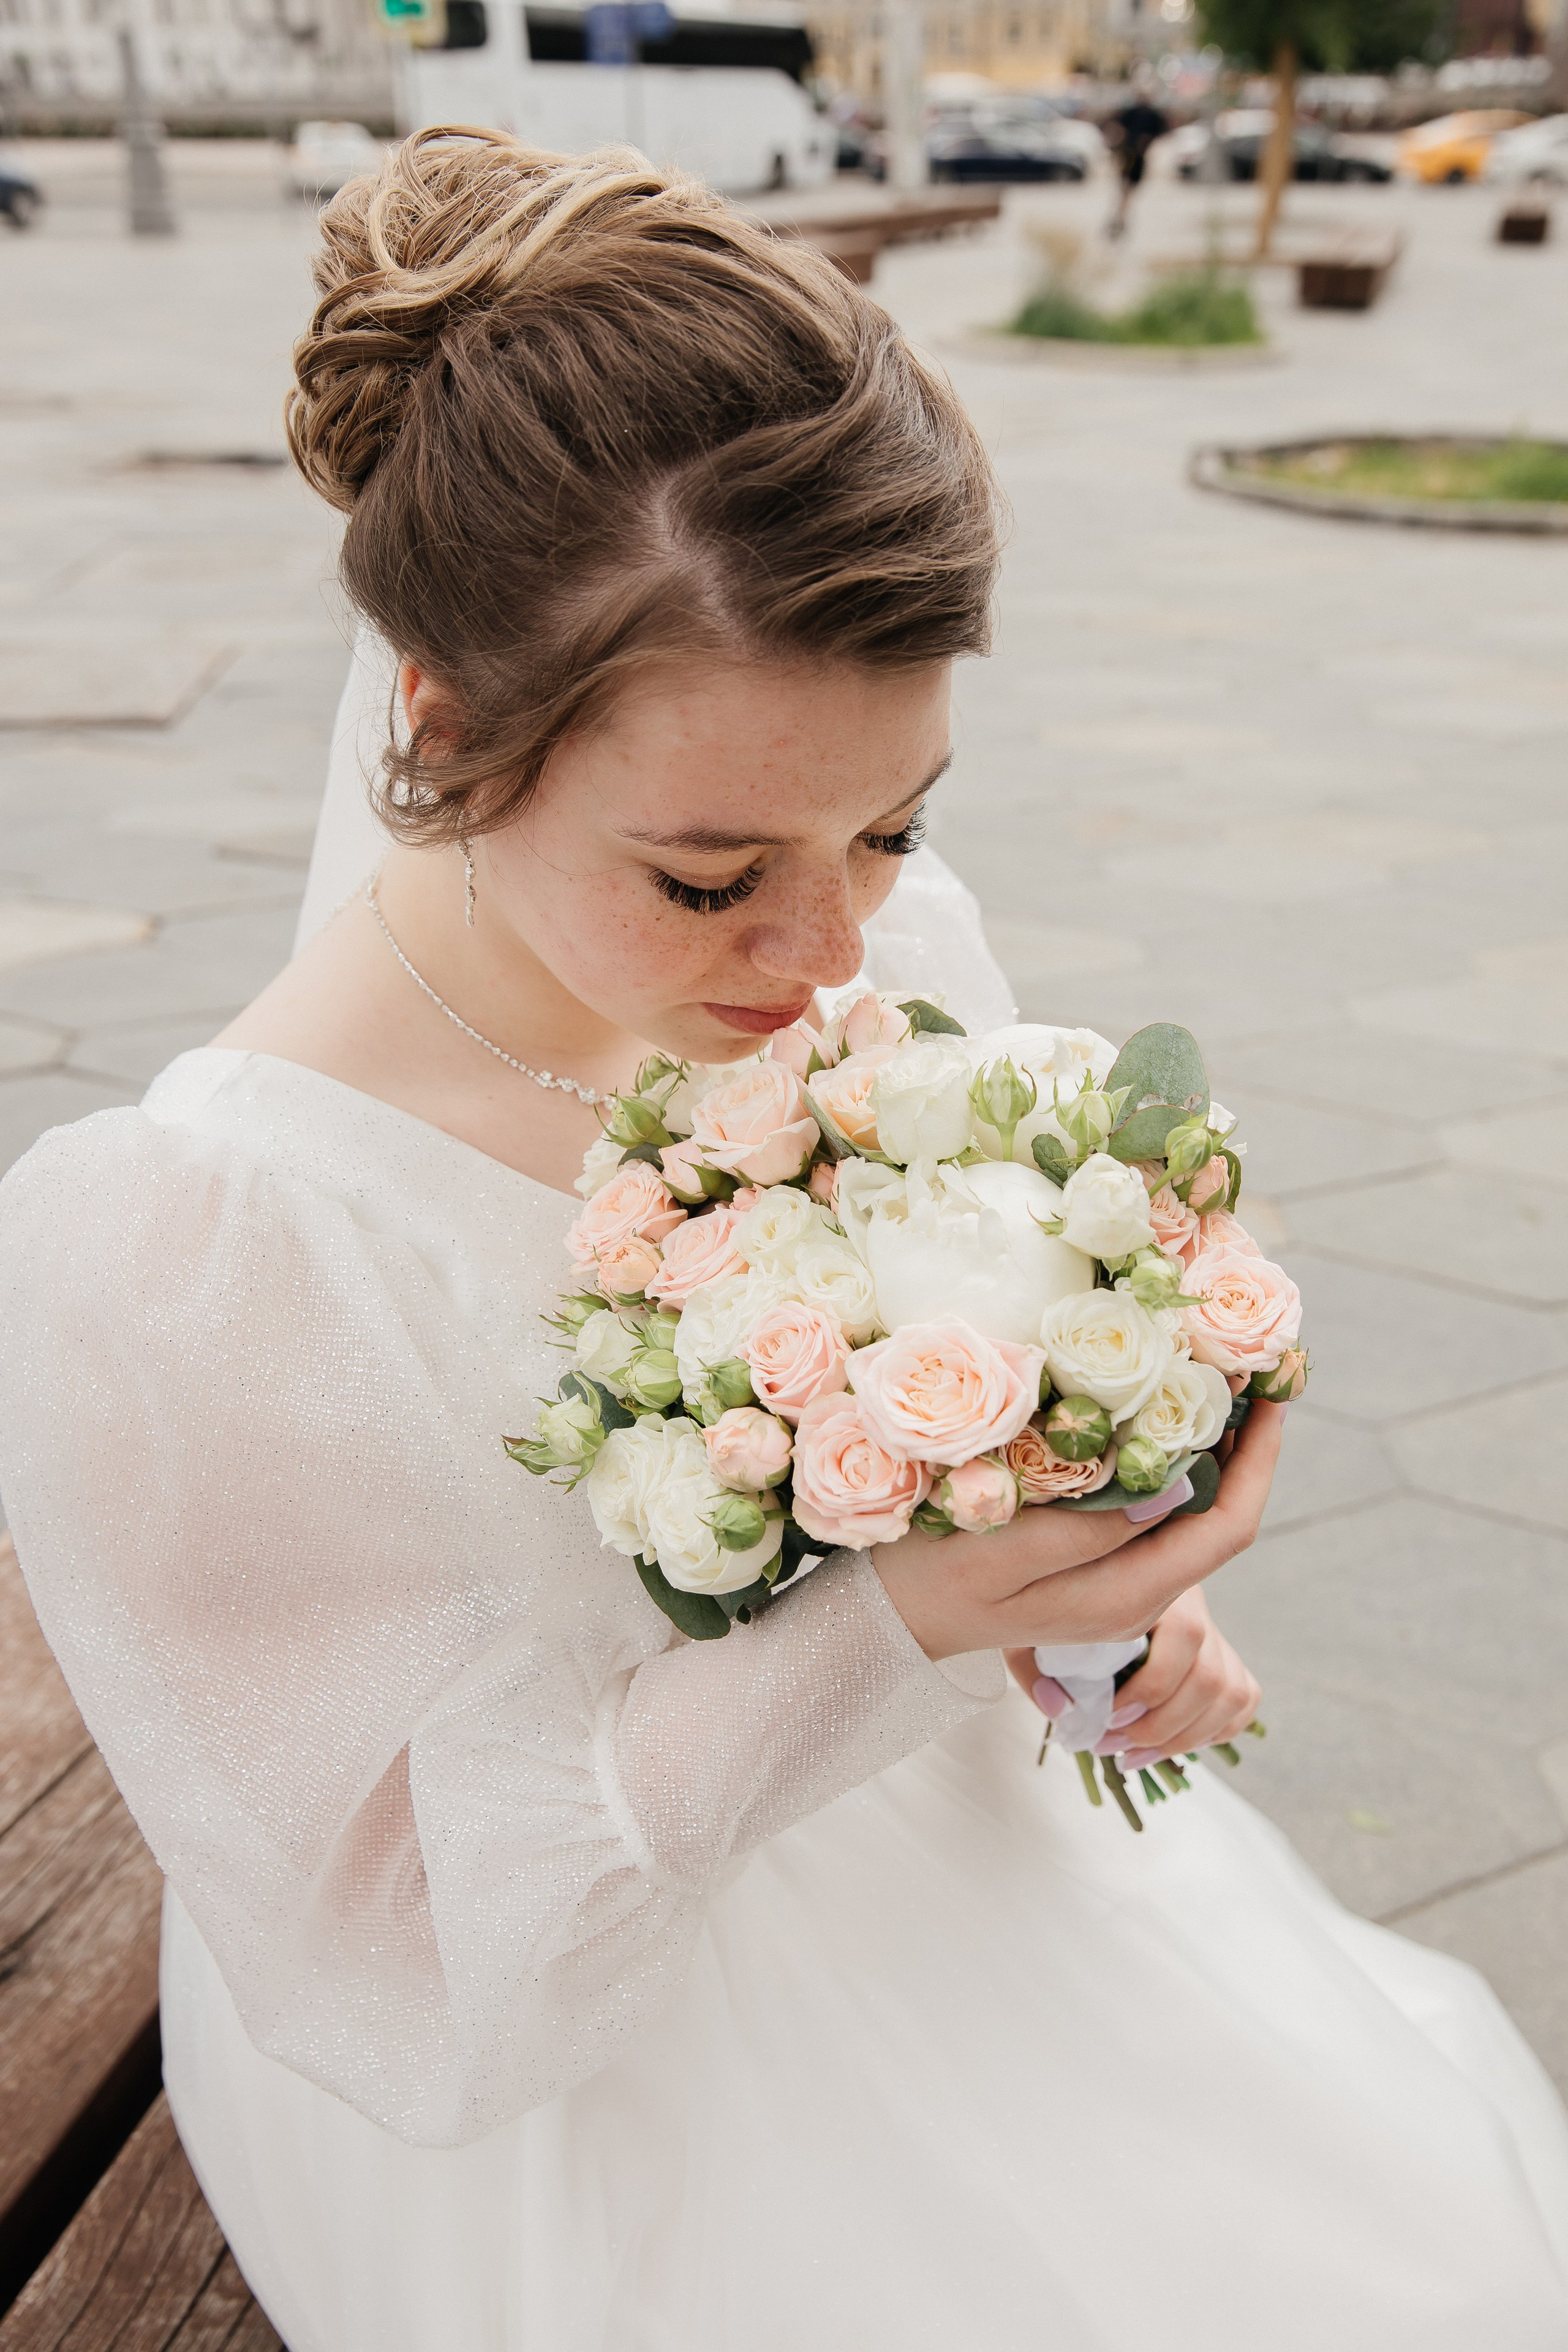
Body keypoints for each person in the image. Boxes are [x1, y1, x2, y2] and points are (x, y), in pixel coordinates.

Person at [2, 129, 1566, 2351]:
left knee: (1410, 2266)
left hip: (930, 1842)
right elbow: (406, 1969)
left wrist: (1074, 1624)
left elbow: (909, 1477)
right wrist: (890, 1634)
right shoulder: (194, 1250)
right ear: (439, 731)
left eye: (892, 815)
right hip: (555, 2047)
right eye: (710, 873)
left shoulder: (877, 950)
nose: (832, 953)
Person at [1106, 73, 1169, 238]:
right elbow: (1117, 128)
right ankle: (1120, 216)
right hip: (1130, 154)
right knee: (1126, 188)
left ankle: (1121, 215)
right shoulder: (1132, 113)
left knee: (1128, 189)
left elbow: (1160, 132)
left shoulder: (1151, 115)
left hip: (1138, 156)